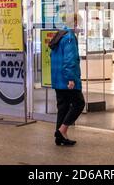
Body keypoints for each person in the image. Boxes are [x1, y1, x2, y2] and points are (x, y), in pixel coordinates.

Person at [49, 13, 85, 146]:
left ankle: (59, 137)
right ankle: (62, 130)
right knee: (79, 103)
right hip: (67, 79)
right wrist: (71, 78)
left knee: (63, 107)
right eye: (78, 23)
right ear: (74, 22)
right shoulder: (69, 37)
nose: (79, 26)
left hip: (58, 78)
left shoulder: (60, 34)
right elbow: (70, 59)